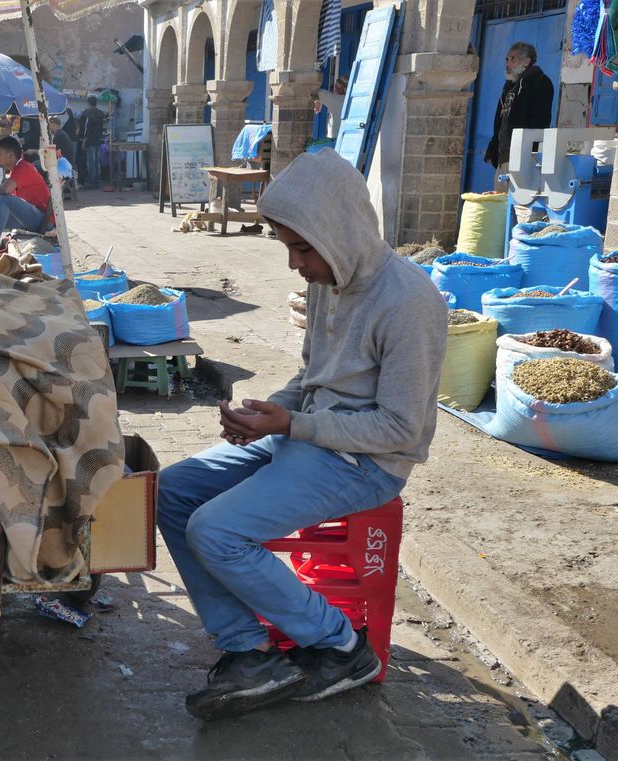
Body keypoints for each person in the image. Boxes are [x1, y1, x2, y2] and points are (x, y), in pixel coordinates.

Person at [156, 150, 447, 722]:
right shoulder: (329, 279)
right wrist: (270, 412)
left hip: (368, 464)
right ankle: (247, 649)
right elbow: (312, 377)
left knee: (216, 531)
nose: (295, 264)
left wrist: (294, 423)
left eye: (302, 248)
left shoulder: (409, 302)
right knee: (171, 490)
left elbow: (402, 428)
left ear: (338, 234)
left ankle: (342, 647)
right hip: (307, 440)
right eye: (289, 247)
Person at [484, 42, 554, 178]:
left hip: (522, 157)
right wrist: (493, 148)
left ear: (527, 62)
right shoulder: (510, 87)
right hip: (503, 157)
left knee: (516, 199)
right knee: (499, 197)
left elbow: (540, 121)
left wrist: (529, 153)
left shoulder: (539, 82)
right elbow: (501, 123)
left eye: (513, 59)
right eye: (507, 59)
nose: (508, 64)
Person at [0, 136, 49, 238]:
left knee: (5, 198)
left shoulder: (23, 167)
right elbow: (2, 204)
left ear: (11, 155)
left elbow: (5, 191)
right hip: (34, 217)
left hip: (44, 221)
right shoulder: (15, 172)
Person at [78, 95, 105, 188]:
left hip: (89, 140)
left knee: (91, 161)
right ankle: (97, 180)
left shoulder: (86, 113)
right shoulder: (101, 113)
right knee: (97, 161)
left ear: (88, 103)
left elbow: (86, 128)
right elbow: (102, 128)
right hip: (98, 140)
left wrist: (84, 140)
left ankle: (92, 181)